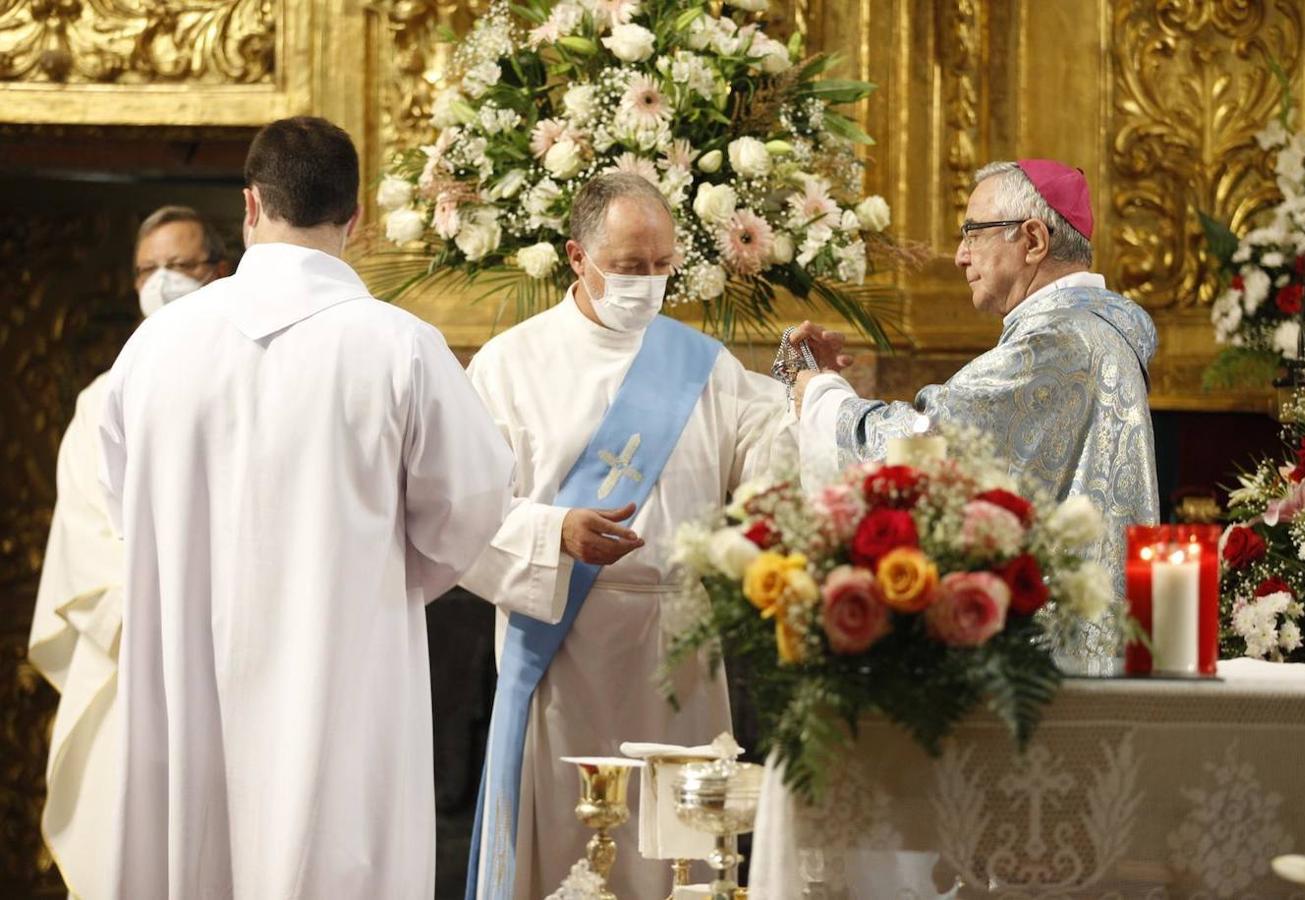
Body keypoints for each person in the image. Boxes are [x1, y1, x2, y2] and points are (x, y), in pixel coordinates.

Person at [98, 116, 515, 898]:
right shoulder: (401, 346)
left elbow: (128, 506)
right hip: (342, 672)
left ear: (250, 207)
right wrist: (379, 578)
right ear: (354, 222)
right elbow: (470, 509)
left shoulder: (151, 349)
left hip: (189, 671)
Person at [463, 172, 795, 900]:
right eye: (628, 267)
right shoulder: (508, 367)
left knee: (680, 859)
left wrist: (809, 390)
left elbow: (772, 450)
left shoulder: (702, 366)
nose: (647, 284)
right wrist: (555, 533)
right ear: (578, 257)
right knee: (571, 854)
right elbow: (465, 513)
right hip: (563, 645)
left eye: (661, 267)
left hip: (680, 650)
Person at [793, 159, 1159, 653]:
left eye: (973, 232)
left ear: (1032, 240)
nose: (960, 256)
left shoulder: (1058, 340)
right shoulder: (1091, 332)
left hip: (1044, 654)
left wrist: (818, 393)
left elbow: (929, 444)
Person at [28, 205, 230, 899]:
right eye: (150, 269)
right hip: (135, 671)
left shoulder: (255, 387)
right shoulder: (101, 401)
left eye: (182, 265)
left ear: (221, 271)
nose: (164, 282)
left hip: (236, 665)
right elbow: (87, 541)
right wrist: (166, 620)